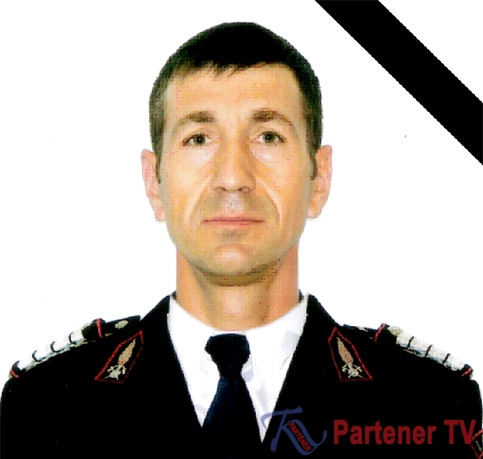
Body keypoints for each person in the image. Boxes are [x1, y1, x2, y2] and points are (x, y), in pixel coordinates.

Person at [1, 22, 481, 458]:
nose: (232, 177)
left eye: (268, 137)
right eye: (198, 139)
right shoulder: (44, 407)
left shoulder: (429, 406)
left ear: (319, 179)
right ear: (154, 183)